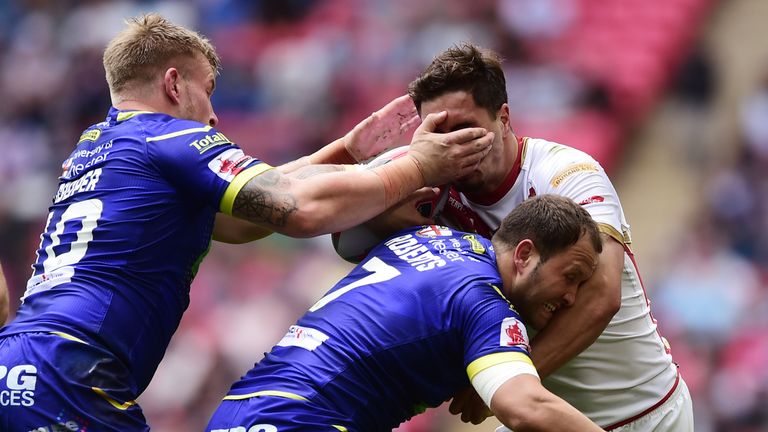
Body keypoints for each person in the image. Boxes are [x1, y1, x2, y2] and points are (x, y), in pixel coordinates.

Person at [0, 15, 494, 431]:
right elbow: (300, 210)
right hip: (73, 374)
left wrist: (345, 153)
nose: (213, 116)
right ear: (174, 84)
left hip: (23, 362)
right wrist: (422, 166)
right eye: (208, 91)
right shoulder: (169, 137)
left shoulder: (99, 147)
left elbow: (240, 221)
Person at [342, 42, 693, 431]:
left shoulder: (565, 173)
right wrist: (386, 210)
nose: (452, 145)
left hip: (639, 413)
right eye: (437, 133)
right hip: (540, 414)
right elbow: (343, 235)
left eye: (465, 129)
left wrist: (509, 385)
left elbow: (602, 294)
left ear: (504, 117)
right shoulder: (429, 183)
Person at [207, 195, 605, 432]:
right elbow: (526, 407)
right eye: (569, 277)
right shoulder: (484, 304)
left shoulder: (433, 237)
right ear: (524, 254)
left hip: (242, 407)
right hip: (305, 421)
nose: (571, 296)